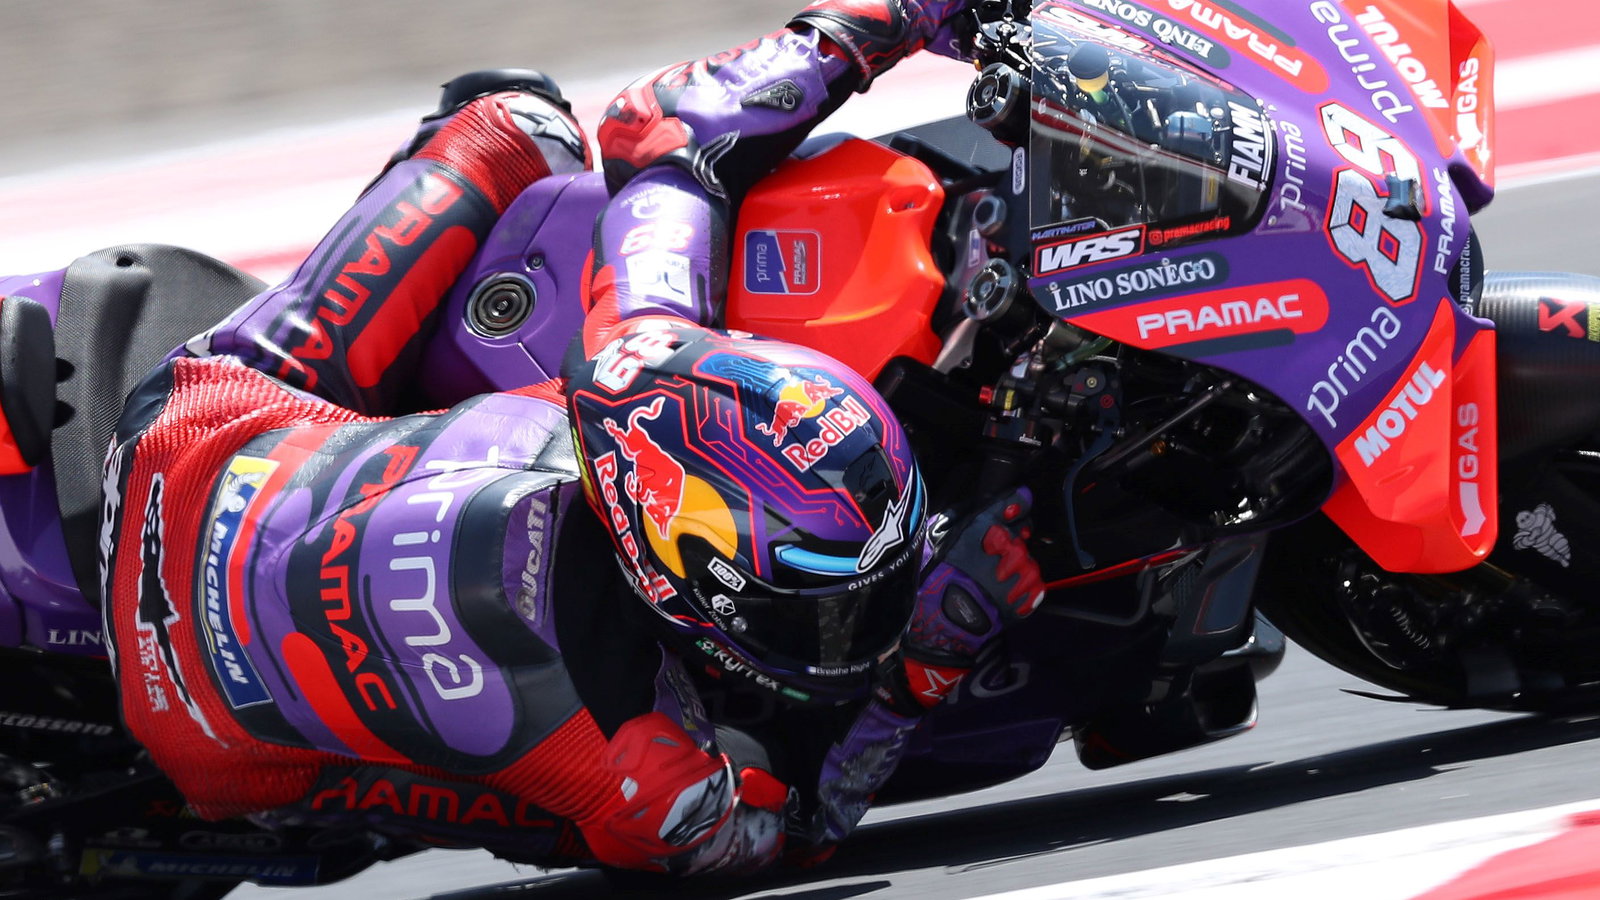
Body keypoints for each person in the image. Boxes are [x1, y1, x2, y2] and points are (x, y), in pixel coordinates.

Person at [99, 0, 1047, 876]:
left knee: (517, 124)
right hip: (207, 738)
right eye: (827, 612)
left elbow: (664, 132)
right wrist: (922, 668)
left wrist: (875, 21)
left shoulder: (636, 362)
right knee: (584, 825)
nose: (854, 630)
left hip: (189, 441)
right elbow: (793, 831)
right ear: (678, 572)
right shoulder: (651, 762)